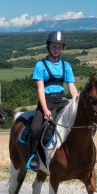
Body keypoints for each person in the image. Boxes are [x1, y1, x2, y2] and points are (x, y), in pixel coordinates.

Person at [26, 31, 79, 170]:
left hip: (61, 100)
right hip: (46, 101)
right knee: (35, 128)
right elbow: (40, 89)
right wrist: (44, 109)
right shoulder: (40, 65)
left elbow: (72, 87)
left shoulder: (66, 65)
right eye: (54, 45)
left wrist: (78, 103)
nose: (57, 48)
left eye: (59, 46)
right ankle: (33, 157)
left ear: (62, 48)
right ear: (48, 46)